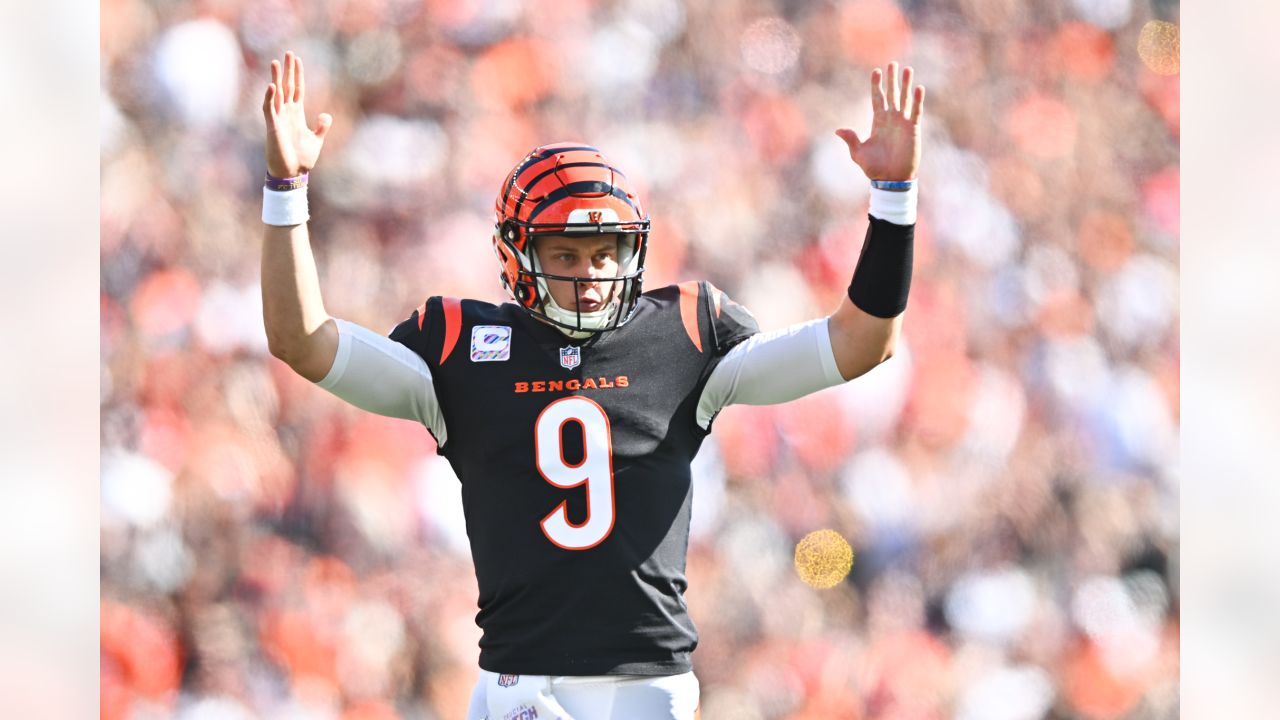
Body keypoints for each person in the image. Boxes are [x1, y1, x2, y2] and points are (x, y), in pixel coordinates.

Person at [260, 50, 925, 720]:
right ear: (518, 256)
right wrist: (285, 194)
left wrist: (893, 201)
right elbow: (304, 341)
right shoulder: (461, 345)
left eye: (605, 252)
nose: (592, 273)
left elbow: (860, 342)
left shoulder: (684, 333)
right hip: (518, 678)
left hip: (645, 682)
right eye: (566, 255)